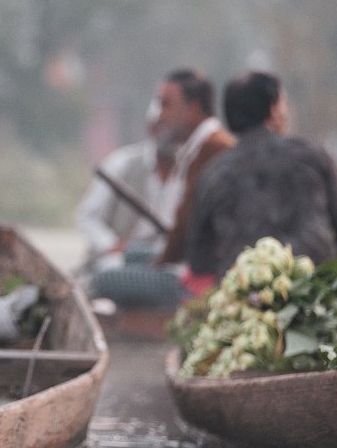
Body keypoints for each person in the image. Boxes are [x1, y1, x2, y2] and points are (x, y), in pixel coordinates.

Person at [186, 71, 337, 280]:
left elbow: (198, 258)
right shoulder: (312, 156)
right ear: (273, 110)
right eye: (284, 104)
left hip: (245, 301)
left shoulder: (212, 174)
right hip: (316, 291)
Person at [87, 69, 235, 308]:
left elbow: (187, 229)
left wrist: (160, 262)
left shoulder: (212, 150)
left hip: (200, 279)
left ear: (193, 108)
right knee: (127, 258)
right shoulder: (195, 151)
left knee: (104, 280)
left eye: (166, 105)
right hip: (187, 264)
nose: (161, 115)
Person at [75, 101, 178, 275]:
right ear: (151, 127)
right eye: (162, 125)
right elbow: (87, 216)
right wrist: (110, 244)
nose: (168, 133)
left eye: (173, 127)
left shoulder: (190, 173)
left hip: (166, 265)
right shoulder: (122, 164)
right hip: (121, 262)